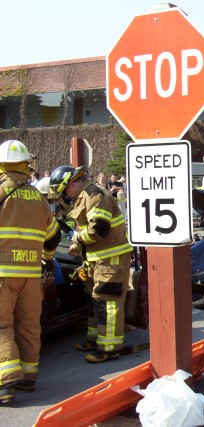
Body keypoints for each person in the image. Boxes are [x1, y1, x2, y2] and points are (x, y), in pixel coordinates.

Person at [49, 165, 133, 363]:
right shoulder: (84, 196)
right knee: (92, 299)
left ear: (72, 184)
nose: (64, 197)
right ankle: (95, 340)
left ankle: (109, 348)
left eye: (64, 192)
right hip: (97, 259)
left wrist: (78, 240)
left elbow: (99, 229)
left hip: (111, 259)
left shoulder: (95, 195)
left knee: (107, 303)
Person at [0, 140, 61, 405]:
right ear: (26, 165)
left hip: (2, 273)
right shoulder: (37, 196)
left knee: (2, 325)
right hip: (31, 274)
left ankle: (5, 383)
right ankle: (28, 375)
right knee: (28, 324)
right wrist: (47, 260)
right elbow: (53, 236)